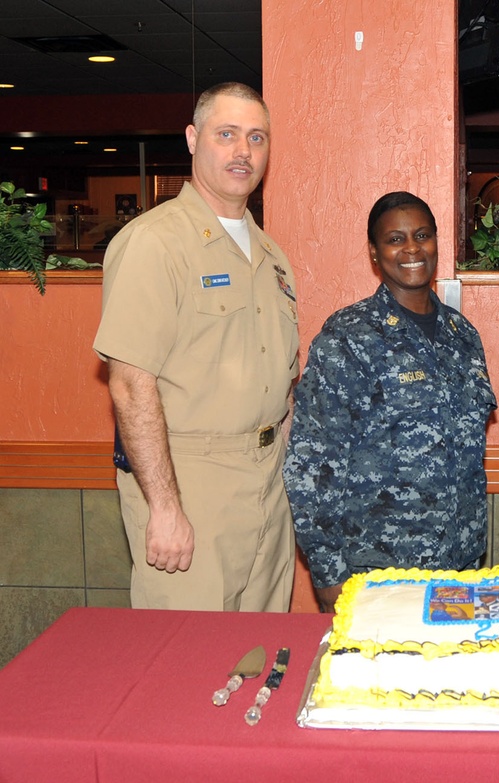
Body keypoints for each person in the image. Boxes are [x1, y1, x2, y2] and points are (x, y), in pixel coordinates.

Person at [93, 82, 299, 611]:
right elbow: (129, 382)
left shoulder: (272, 255)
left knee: (263, 649)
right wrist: (164, 507)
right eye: (225, 134)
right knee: (186, 659)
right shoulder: (155, 243)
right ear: (192, 138)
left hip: (268, 484)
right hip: (191, 480)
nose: (242, 152)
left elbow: (284, 380)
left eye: (256, 138)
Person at [283, 192, 497, 613]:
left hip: (460, 563)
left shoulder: (463, 335)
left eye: (422, 236)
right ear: (374, 253)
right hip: (378, 572)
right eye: (395, 239)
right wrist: (327, 572)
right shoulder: (348, 337)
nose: (412, 249)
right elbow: (312, 464)